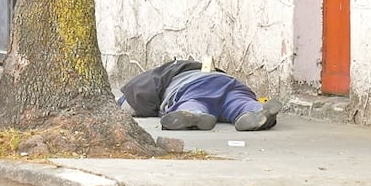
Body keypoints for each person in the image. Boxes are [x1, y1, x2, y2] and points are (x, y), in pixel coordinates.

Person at [117, 59, 282, 132]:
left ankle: (194, 115)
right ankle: (258, 109)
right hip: (227, 82)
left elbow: (130, 102)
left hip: (192, 88)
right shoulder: (203, 68)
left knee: (193, 103)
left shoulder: (153, 77)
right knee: (237, 102)